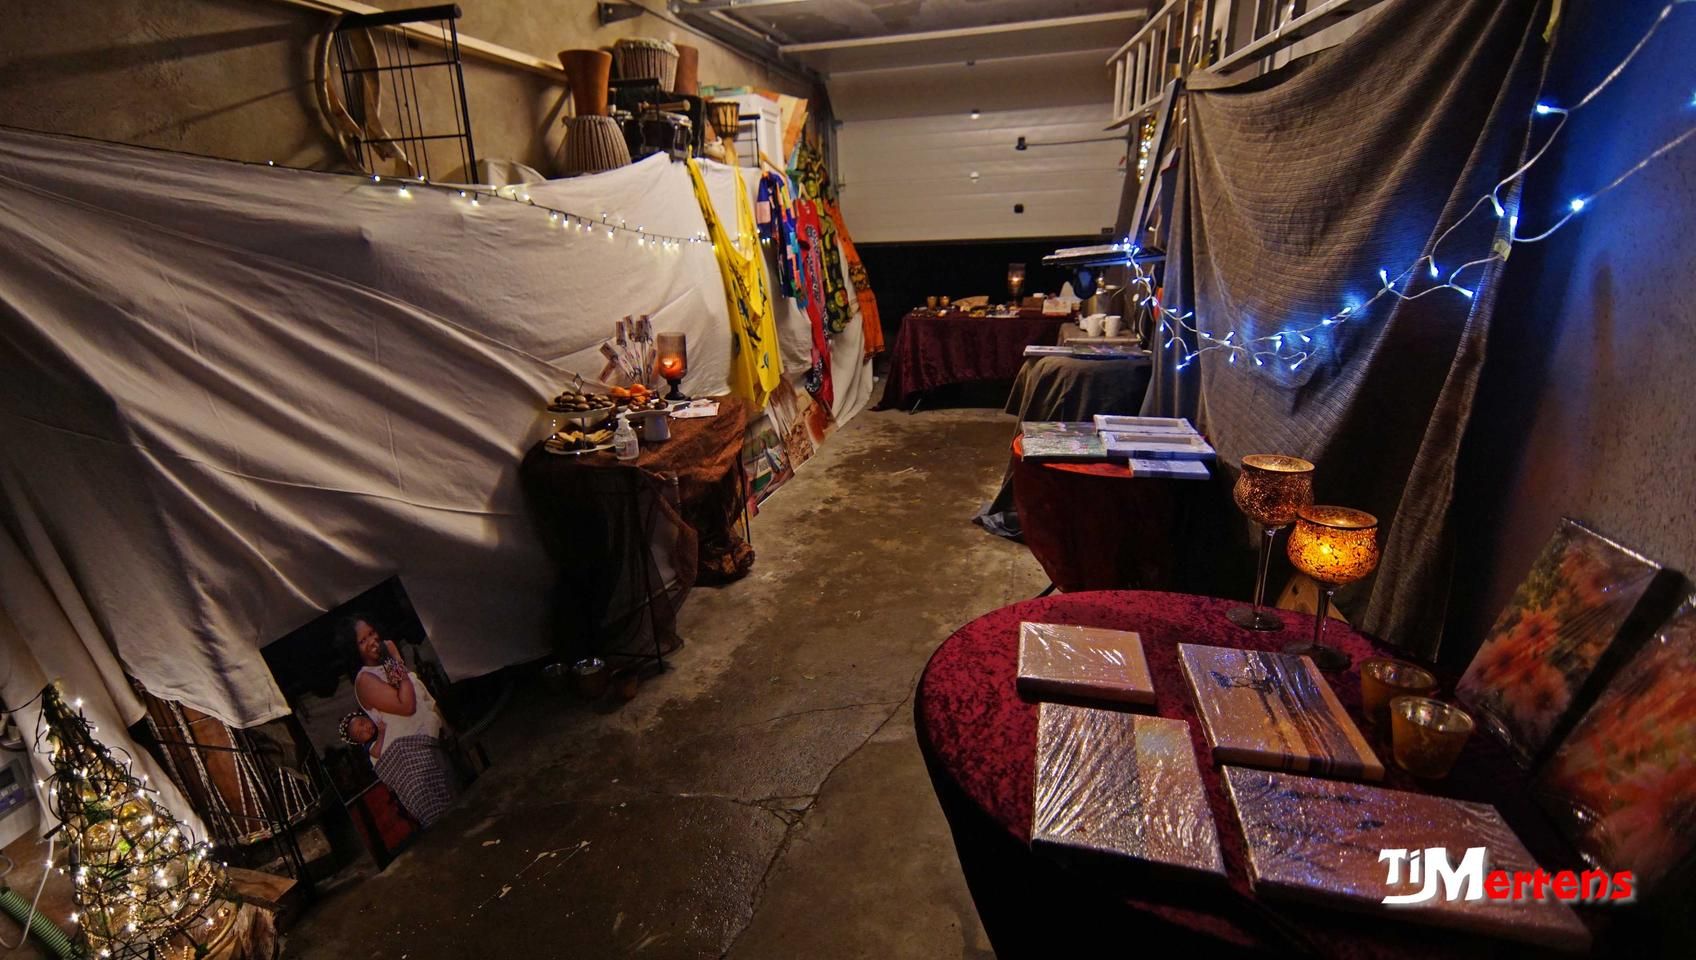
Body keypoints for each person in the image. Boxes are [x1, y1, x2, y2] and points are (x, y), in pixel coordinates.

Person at [339, 615, 458, 825]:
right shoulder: (365, 680)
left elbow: (414, 696)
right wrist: (395, 658)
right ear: (354, 649)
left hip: (434, 744)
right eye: (362, 640)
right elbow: (406, 706)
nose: (372, 641)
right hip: (413, 763)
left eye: (371, 633)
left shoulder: (386, 666)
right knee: (447, 823)